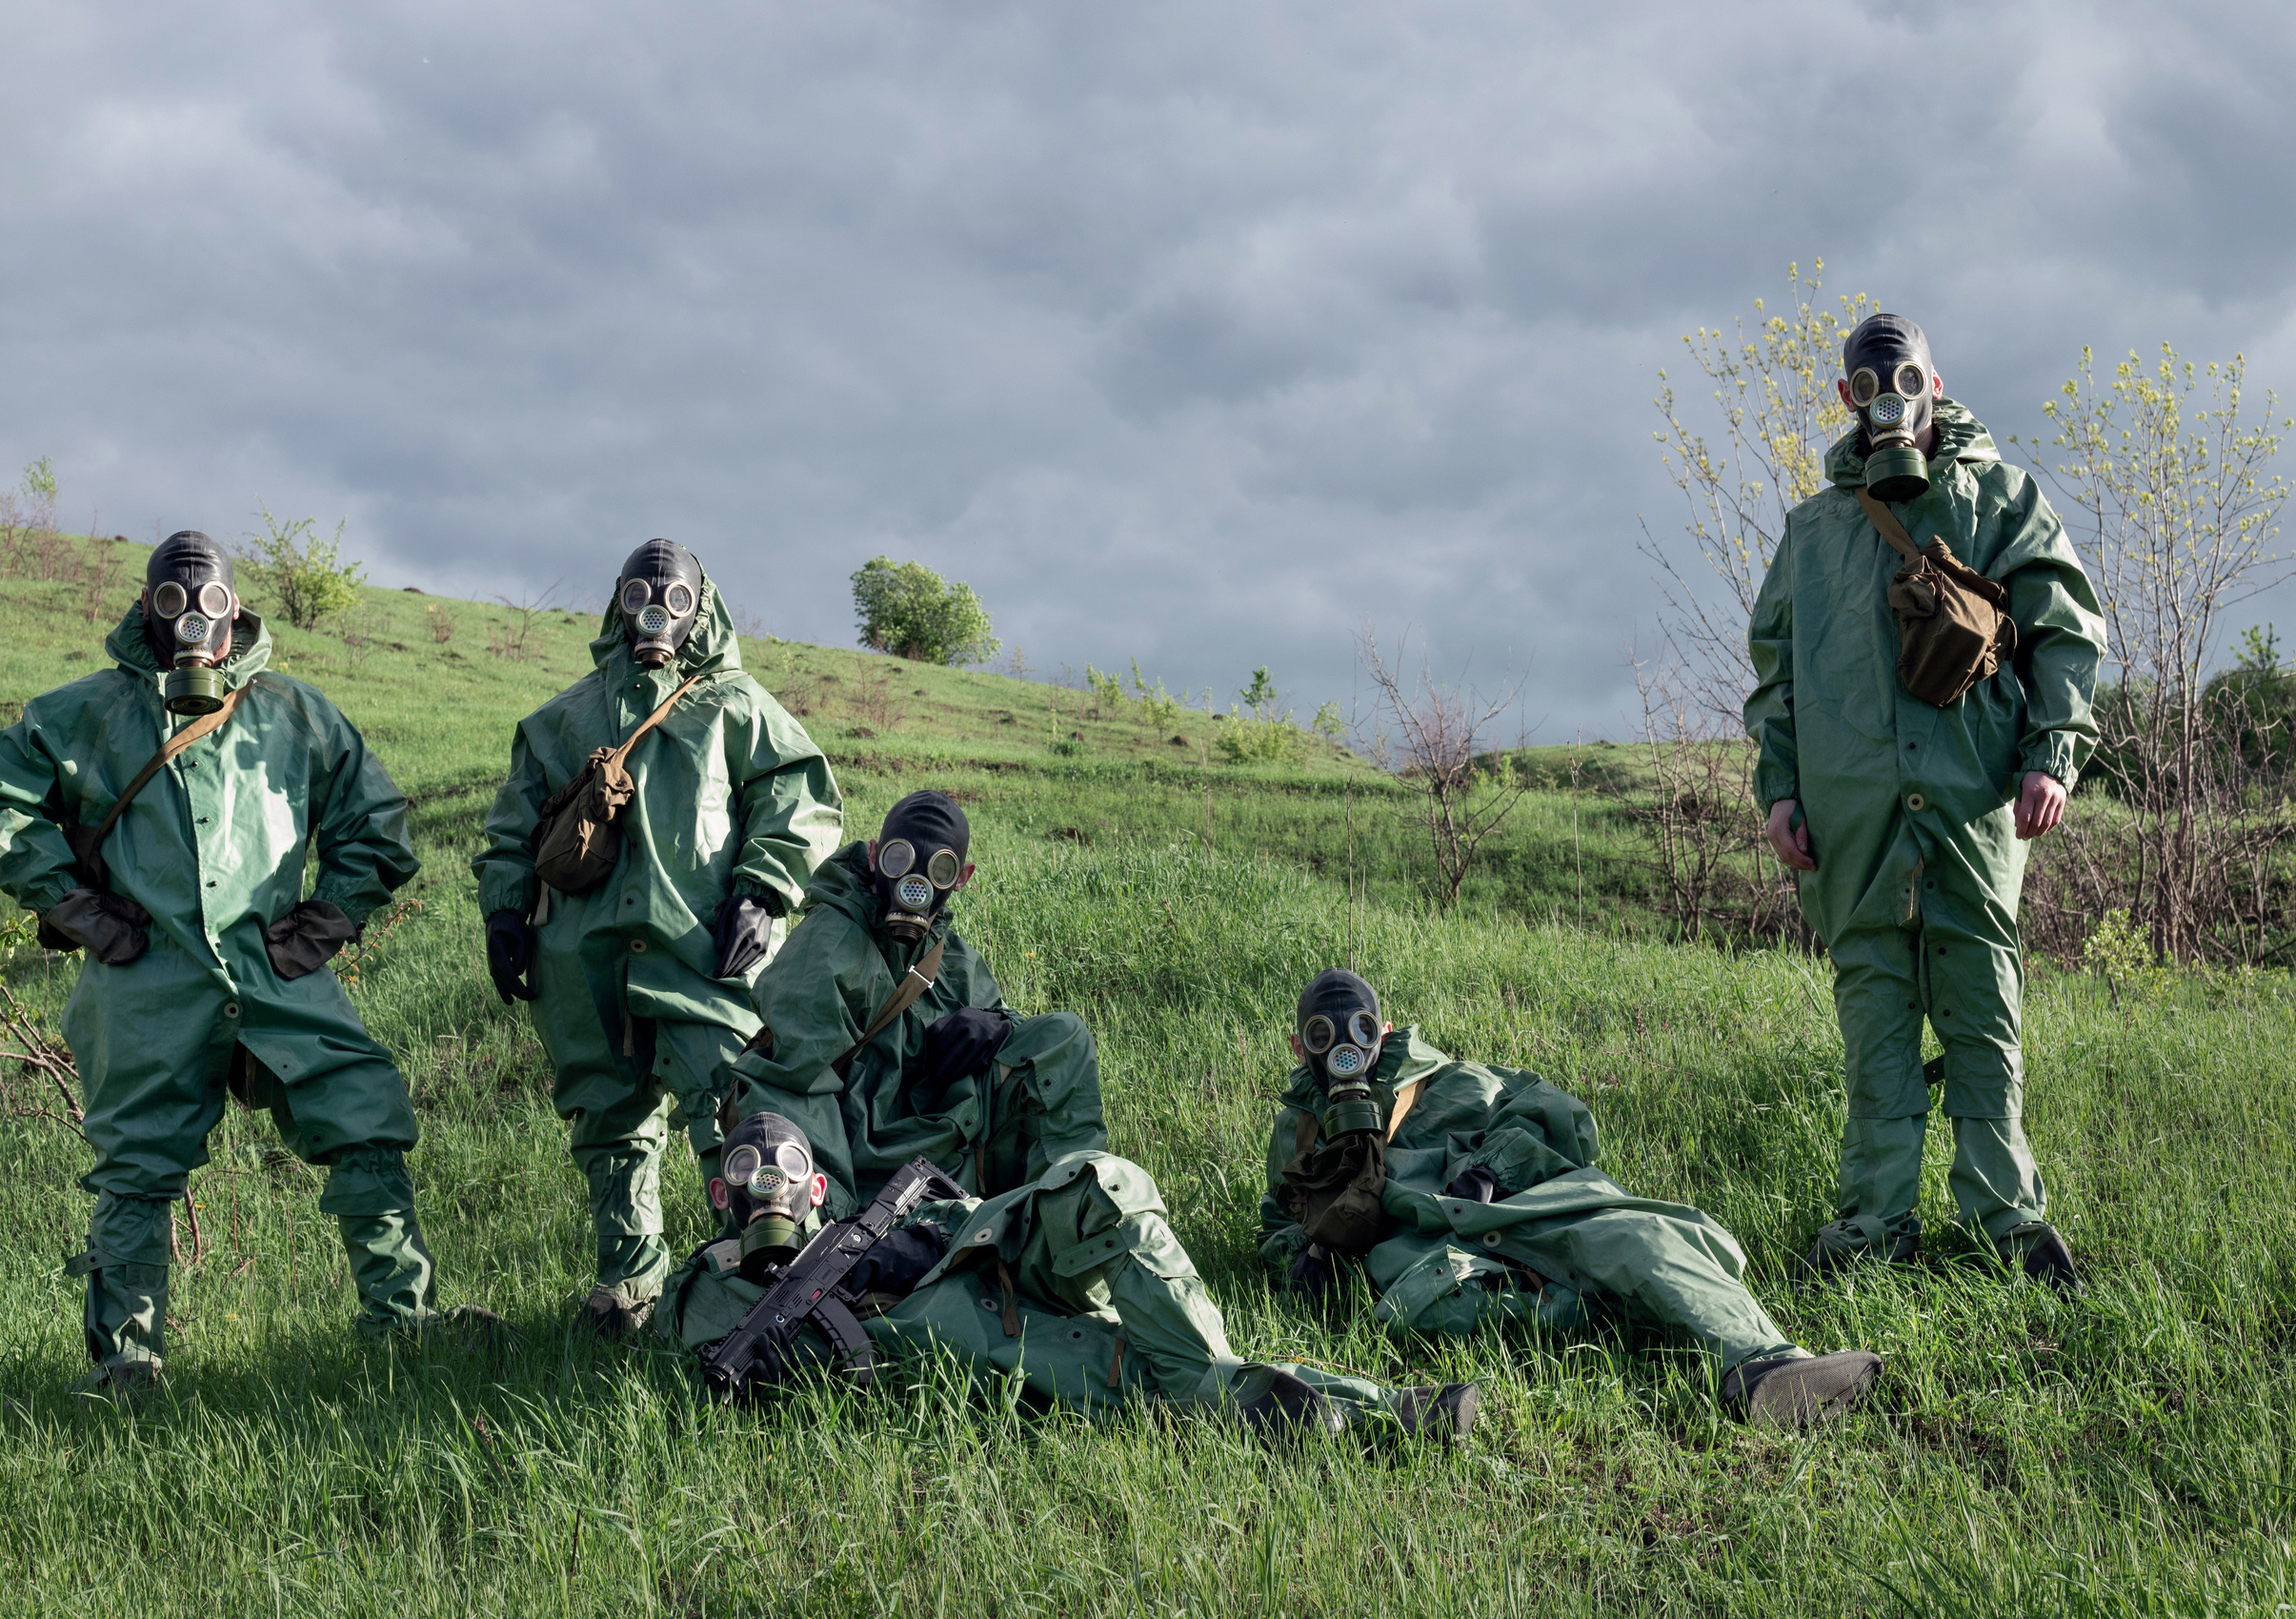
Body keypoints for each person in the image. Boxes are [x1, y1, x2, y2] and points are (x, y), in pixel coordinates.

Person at [0, 531, 490, 1395]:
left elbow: (375, 822)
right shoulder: (82, 713)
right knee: (135, 1167)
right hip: (144, 984)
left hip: (276, 971)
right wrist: (75, 907)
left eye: (210, 605)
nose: (192, 622)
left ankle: (404, 1321)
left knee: (364, 1114)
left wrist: (323, 922)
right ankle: (127, 1360)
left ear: (236, 616)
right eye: (173, 603)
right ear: (148, 611)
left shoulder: (295, 713)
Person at [1745, 314, 2105, 1283]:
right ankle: (1871, 1230)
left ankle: (2008, 1227)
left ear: (1936, 384)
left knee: (1982, 1010)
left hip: (1970, 808)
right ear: (1846, 399)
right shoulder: (1815, 531)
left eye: (1904, 377)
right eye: (1869, 383)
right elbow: (1775, 675)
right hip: (1852, 823)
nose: (1889, 396)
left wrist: (2050, 755)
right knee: (1873, 1022)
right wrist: (1779, 788)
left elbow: (2064, 631)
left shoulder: (2002, 499)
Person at [476, 539, 841, 1338]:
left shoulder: (736, 705)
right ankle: (628, 1285)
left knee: (732, 1106)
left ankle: (756, 1287)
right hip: (583, 958)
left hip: (702, 953)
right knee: (608, 1122)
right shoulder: (561, 718)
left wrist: (763, 889)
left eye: (674, 598)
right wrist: (505, 911)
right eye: (641, 593)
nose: (657, 611)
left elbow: (800, 792)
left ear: (700, 608)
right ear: (617, 601)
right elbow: (511, 825)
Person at [1260, 971, 1884, 1427]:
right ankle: (1608, 1314)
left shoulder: (1454, 1081)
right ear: (1298, 1047)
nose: (1345, 1047)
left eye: (1361, 1029)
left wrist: (1488, 1166)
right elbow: (1278, 1216)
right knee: (1435, 1304)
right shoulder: (1299, 1132)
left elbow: (1567, 1120)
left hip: (1533, 1204)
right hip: (1423, 1248)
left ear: (1385, 1030)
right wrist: (1304, 1253)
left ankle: (1766, 1367)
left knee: (1643, 1238)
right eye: (1322, 1035)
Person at [662, 1111, 1479, 1440]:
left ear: (816, 1185)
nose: (765, 1174)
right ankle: (1381, 1409)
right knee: (1133, 1375)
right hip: (930, 1324)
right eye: (745, 1164)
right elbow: (736, 1352)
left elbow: (957, 1209)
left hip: (985, 1247)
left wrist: (982, 1219)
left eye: (788, 1163)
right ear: (718, 1189)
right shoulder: (713, 1284)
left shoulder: (857, 1221)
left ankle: (1229, 1383)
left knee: (1094, 1182)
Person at [718, 790, 1105, 1219]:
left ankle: (1064, 1217)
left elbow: (1007, 1046)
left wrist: (997, 1022)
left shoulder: (950, 955)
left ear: (962, 877)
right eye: (899, 860)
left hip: (940, 1149)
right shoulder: (829, 944)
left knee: (1062, 1038)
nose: (914, 883)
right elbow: (793, 1085)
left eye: (938, 867)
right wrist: (838, 1222)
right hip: (856, 1162)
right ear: (873, 857)